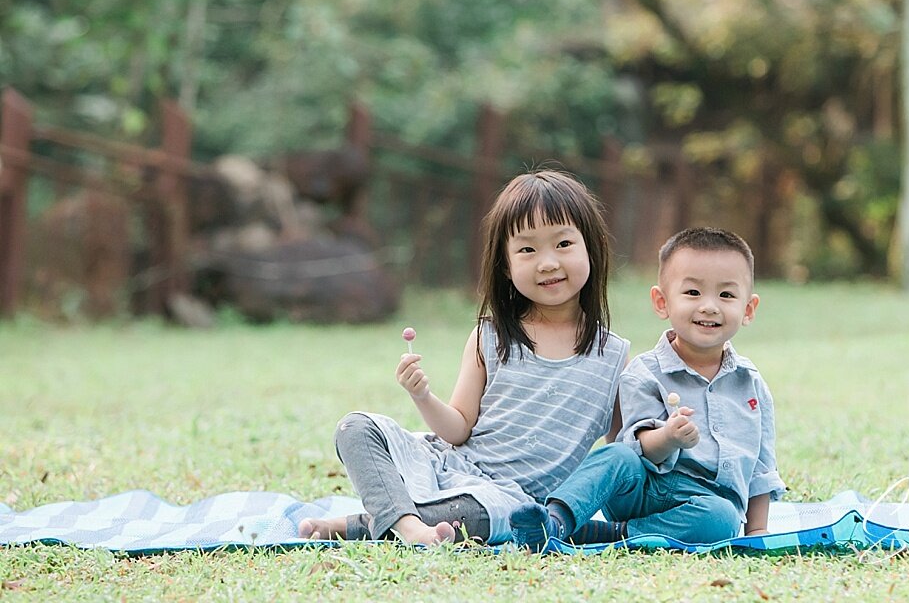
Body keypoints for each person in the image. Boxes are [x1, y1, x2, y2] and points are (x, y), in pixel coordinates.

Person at [299, 169, 629, 545]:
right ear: (506, 266)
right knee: (354, 427)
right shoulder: (490, 337)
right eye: (527, 249)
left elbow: (619, 454)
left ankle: (364, 523)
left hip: (507, 502)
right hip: (445, 466)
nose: (548, 263)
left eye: (564, 244)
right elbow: (457, 430)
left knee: (475, 515)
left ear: (592, 247)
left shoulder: (614, 357)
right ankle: (408, 528)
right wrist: (421, 395)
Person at [509, 226, 785, 550]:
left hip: (703, 504)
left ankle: (611, 535)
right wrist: (669, 437)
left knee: (722, 519)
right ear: (661, 302)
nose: (709, 306)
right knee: (616, 456)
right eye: (693, 293)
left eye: (726, 295)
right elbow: (634, 445)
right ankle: (554, 520)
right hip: (642, 488)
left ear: (748, 309)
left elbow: (761, 471)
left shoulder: (750, 385)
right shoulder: (644, 372)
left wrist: (756, 532)